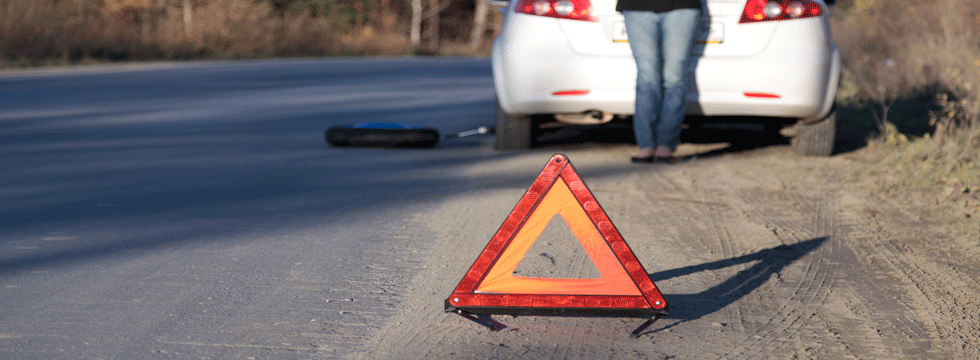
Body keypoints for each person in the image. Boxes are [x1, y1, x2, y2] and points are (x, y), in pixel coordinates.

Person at [616, 0, 702, 163]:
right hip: (637, 7)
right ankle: (646, 145)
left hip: (682, 5)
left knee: (674, 77)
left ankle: (666, 145)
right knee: (647, 78)